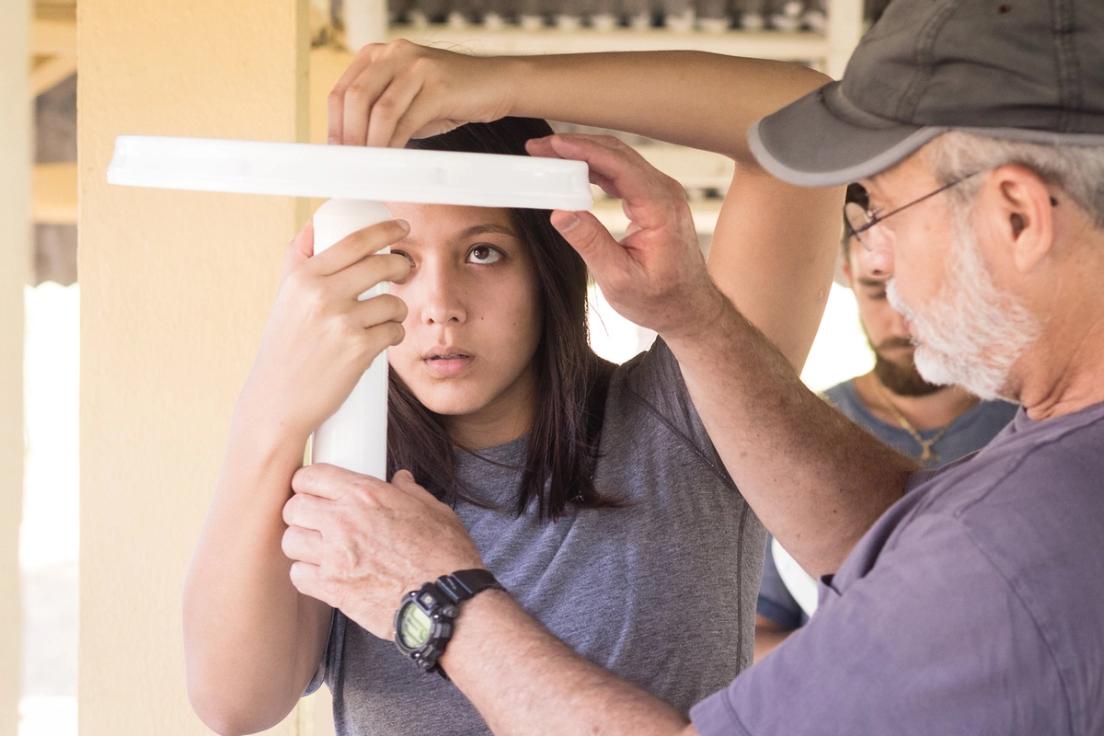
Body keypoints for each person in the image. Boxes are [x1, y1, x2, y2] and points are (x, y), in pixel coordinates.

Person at [281, 1, 1104, 734]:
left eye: (884, 208)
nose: (872, 258)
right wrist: (697, 316)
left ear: (1018, 216)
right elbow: (898, 525)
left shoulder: (1009, 547)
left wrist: (438, 601)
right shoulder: (1050, 476)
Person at [181, 51, 856, 735]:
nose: (440, 306)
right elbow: (234, 705)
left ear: (547, 267)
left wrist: (500, 85)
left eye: (482, 253)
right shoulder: (351, 469)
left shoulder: (687, 414)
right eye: (401, 261)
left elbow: (803, 121)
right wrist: (271, 406)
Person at [753, 183, 1019, 660]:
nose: (901, 318)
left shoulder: (1033, 421)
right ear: (849, 279)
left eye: (922, 283)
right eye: (877, 290)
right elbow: (748, 639)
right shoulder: (793, 435)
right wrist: (862, 648)